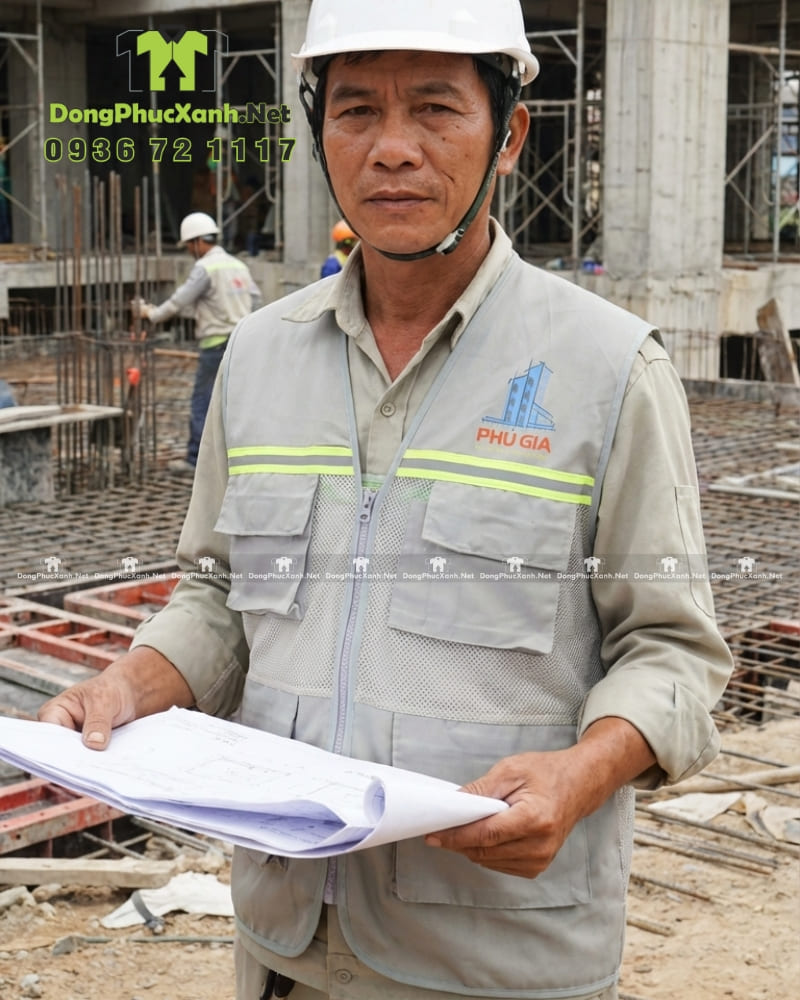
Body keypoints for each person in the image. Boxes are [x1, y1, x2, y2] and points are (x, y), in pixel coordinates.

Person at [41, 1, 734, 998]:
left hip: (494, 960)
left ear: (509, 136)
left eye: (436, 109)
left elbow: (672, 649)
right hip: (283, 946)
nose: (393, 148)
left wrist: (580, 774)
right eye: (356, 109)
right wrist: (129, 684)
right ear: (318, 131)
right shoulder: (261, 358)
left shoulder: (607, 369)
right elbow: (219, 596)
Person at [133, 211, 261, 474]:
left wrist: (152, 314)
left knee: (203, 400)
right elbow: (256, 300)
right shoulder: (238, 265)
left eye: (189, 246)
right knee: (236, 401)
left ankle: (195, 459)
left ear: (197, 242)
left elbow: (179, 300)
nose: (190, 252)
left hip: (216, 344)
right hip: (242, 343)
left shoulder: (205, 268)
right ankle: (238, 458)